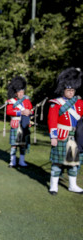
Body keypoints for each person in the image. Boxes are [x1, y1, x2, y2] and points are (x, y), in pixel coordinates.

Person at [48, 67, 83, 195]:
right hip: (62, 135)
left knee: (73, 162)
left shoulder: (79, 102)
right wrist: (53, 136)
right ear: (63, 90)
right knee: (57, 162)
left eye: (73, 90)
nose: (71, 93)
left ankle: (72, 185)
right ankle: (53, 186)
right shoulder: (56, 103)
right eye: (69, 90)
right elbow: (52, 121)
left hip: (75, 136)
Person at [6, 76, 33, 167]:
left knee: (22, 144)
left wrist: (29, 112)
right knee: (14, 144)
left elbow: (31, 110)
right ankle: (12, 161)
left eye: (22, 92)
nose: (21, 94)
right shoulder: (11, 101)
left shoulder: (27, 101)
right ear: (16, 93)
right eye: (19, 92)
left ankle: (21, 161)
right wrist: (20, 112)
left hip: (24, 124)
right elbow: (8, 111)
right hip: (16, 124)